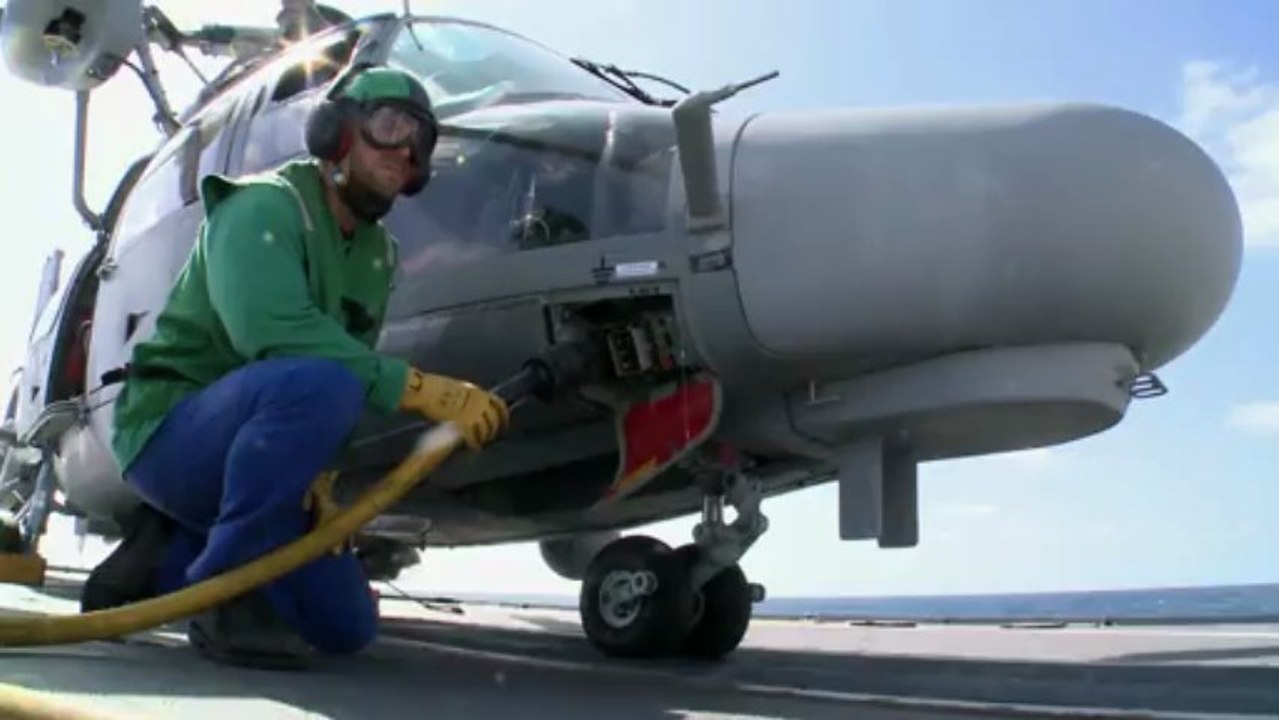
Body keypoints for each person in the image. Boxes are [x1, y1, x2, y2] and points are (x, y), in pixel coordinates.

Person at [78, 62, 509, 670]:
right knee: (321, 379)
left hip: (260, 444)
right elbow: (274, 334)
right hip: (171, 433)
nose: (405, 150)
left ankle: (166, 555)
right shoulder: (260, 206)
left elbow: (346, 370)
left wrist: (321, 475)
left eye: (421, 139)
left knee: (345, 628)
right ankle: (226, 588)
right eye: (389, 126)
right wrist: (416, 387)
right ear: (336, 131)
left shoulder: (379, 256)